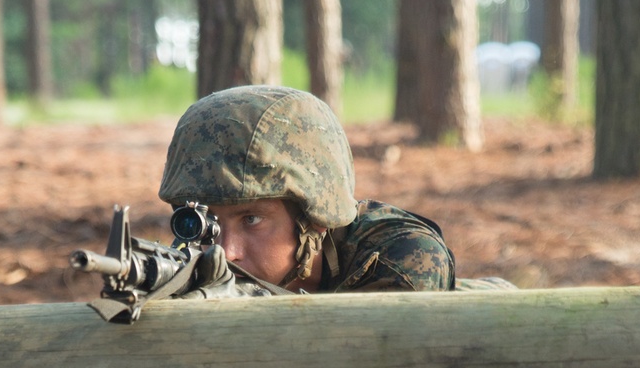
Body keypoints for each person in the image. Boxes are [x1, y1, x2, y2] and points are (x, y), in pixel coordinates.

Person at [159, 84, 458, 297]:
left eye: (251, 219)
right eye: (206, 222)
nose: (224, 252)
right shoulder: (193, 262)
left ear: (315, 219)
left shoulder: (403, 261)